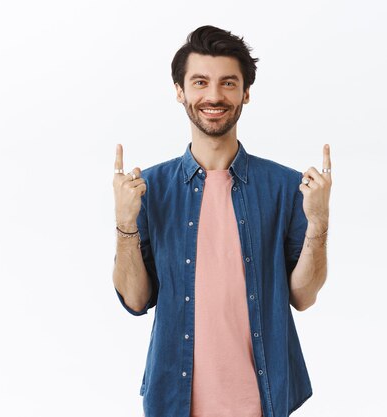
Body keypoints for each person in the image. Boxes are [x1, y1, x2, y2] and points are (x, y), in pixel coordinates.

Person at [112, 25, 331, 417]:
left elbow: (303, 296)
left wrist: (318, 222)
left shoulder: (284, 186)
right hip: (174, 403)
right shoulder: (150, 190)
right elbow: (136, 299)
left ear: (245, 92)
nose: (214, 96)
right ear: (179, 91)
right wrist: (125, 223)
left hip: (263, 402)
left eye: (228, 83)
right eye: (200, 82)